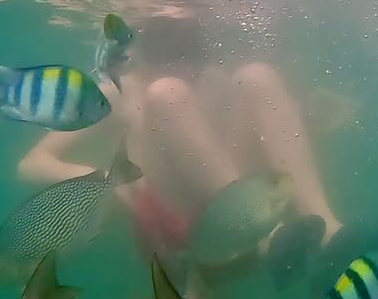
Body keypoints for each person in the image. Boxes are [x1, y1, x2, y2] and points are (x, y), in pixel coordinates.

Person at [18, 14, 343, 261]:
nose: (180, 64)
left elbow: (272, 134)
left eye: (190, 48)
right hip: (179, 227)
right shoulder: (118, 91)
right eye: (166, 47)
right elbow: (32, 164)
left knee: (258, 76)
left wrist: (315, 116)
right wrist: (109, 183)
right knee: (167, 93)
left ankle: (327, 228)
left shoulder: (216, 79)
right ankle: (262, 232)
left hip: (247, 208)